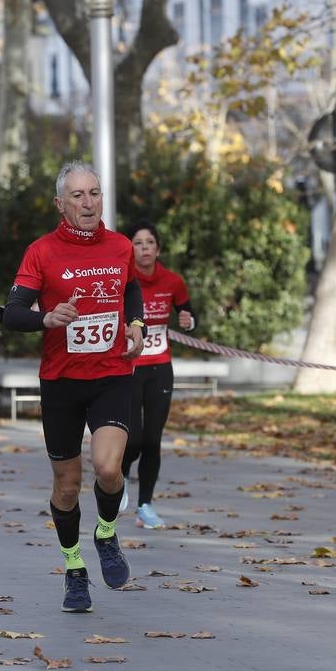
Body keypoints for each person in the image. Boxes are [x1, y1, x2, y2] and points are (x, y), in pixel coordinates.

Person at [1, 161, 145, 613]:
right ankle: (74, 568)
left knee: (107, 469)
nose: (88, 203)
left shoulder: (120, 246)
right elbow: (11, 312)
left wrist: (137, 323)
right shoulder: (42, 252)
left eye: (95, 193)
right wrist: (46, 317)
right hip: (61, 382)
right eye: (78, 196)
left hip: (112, 376)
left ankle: (105, 533)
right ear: (60, 204)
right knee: (66, 486)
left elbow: (130, 290)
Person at [120, 222, 195, 529]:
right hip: (130, 367)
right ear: (131, 250)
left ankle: (145, 506)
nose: (145, 247)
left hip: (160, 368)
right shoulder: (124, 280)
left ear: (158, 249)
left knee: (152, 439)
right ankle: (118, 478)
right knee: (133, 438)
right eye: (138, 243)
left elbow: (187, 312)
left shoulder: (172, 281)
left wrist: (189, 319)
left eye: (150, 242)